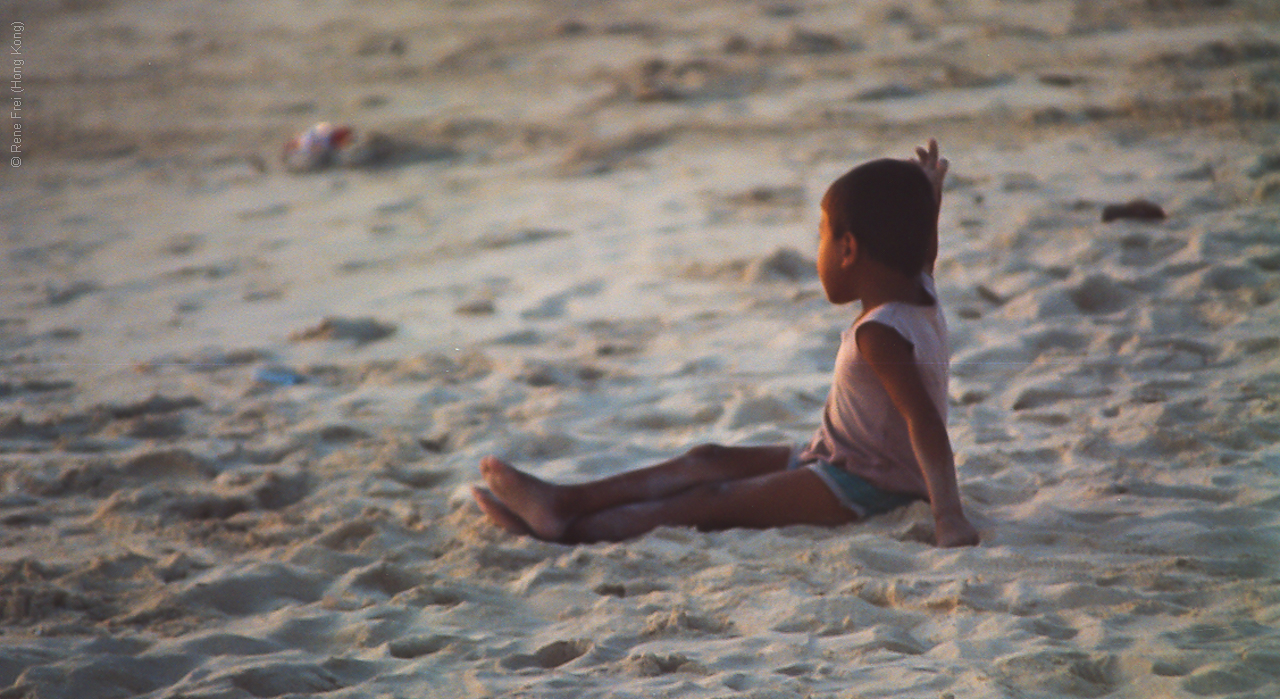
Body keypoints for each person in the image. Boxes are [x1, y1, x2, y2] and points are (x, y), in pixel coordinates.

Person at [471, 139, 980, 548]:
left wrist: (948, 516)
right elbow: (924, 254)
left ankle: (566, 534)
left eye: (821, 235)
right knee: (706, 457)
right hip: (836, 456)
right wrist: (928, 204)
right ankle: (563, 502)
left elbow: (924, 422)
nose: (817, 251)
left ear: (848, 248)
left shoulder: (879, 333)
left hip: (868, 487)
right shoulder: (921, 289)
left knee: (713, 500)